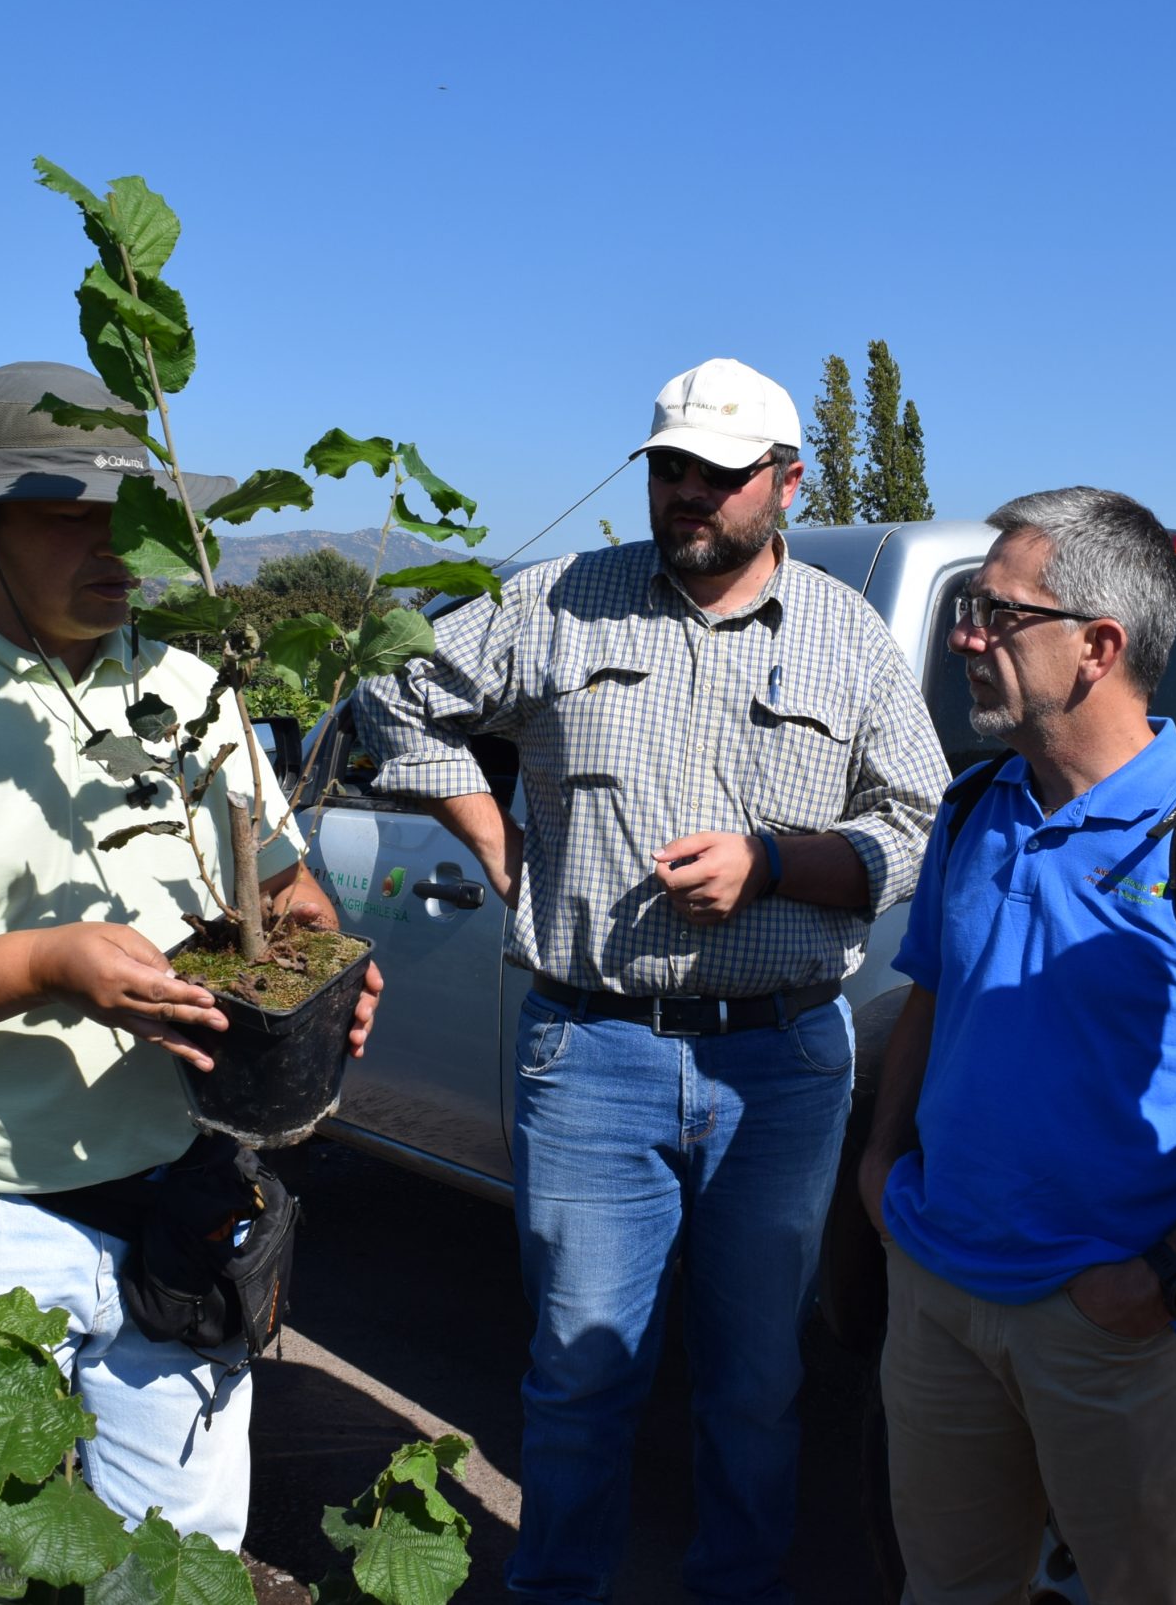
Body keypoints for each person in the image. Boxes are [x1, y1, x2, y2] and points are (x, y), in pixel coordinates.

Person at [351, 357, 948, 1603]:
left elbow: (916, 827)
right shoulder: (556, 601)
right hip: (591, 1050)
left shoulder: (846, 637)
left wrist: (773, 864)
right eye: (670, 468)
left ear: (787, 484)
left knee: (756, 1382)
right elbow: (391, 696)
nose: (689, 494)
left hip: (781, 1063)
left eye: (720, 476)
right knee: (580, 1372)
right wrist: (495, 838)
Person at [0, 361, 381, 1547]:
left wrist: (327, 969)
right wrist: (43, 966)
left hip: (184, 1203)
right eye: (67, 517)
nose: (116, 547)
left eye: (133, 515)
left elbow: (283, 892)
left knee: (180, 1560)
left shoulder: (186, 689)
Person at [856, 487, 1176, 1605]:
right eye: (969, 609)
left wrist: (1164, 1279)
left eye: (997, 612)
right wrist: (882, 1169)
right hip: (939, 1291)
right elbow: (932, 997)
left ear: (1099, 646)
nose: (966, 637)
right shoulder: (973, 807)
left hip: (1115, 1328)